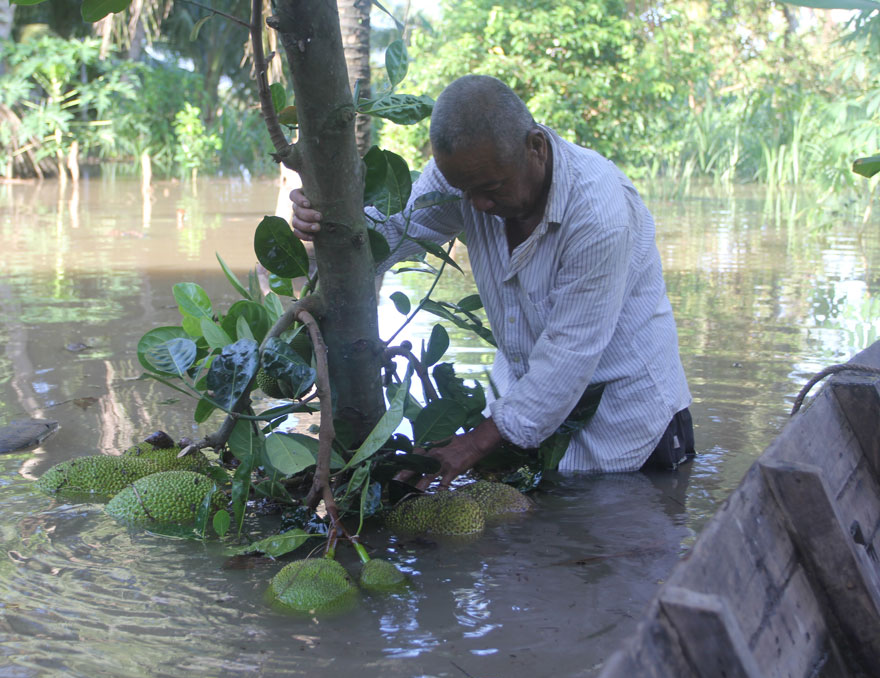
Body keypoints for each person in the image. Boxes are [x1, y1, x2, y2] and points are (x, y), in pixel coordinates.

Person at [290, 74, 694, 487]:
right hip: (523, 418)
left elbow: (568, 354)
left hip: (630, 435)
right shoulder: (465, 176)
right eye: (466, 191)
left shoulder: (597, 214)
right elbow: (394, 232)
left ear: (535, 147)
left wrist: (472, 445)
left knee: (607, 535)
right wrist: (327, 226)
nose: (479, 205)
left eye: (492, 188)